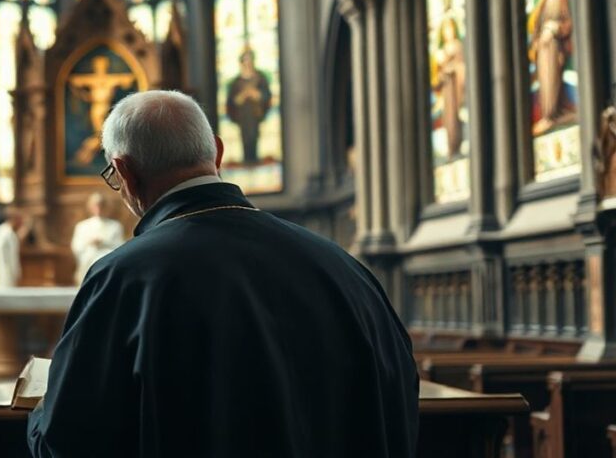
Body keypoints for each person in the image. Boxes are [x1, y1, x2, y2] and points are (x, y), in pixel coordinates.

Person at [28, 90, 418, 457]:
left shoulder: (122, 278)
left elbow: (65, 443)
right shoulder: (344, 267)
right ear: (216, 152)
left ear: (123, 172)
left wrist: (43, 406)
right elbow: (398, 404)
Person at [528, 0, 574, 135]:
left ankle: (555, 113)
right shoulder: (542, 4)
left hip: (555, 48)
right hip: (543, 51)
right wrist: (538, 41)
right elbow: (536, 29)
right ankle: (547, 115)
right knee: (545, 83)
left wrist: (555, 28)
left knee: (554, 80)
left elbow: (567, 23)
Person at [226, 48, 272, 164]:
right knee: (245, 139)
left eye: (249, 62)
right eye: (245, 62)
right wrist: (241, 97)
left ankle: (254, 160)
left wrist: (256, 94)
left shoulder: (260, 78)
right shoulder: (236, 82)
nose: (247, 65)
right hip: (242, 117)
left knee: (254, 138)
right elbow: (231, 102)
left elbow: (266, 95)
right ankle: (247, 161)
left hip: (256, 115)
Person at [69, 192, 125, 284]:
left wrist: (104, 243)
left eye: (102, 205)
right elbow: (76, 246)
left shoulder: (115, 226)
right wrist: (90, 243)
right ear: (91, 207)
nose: (99, 208)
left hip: (109, 258)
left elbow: (121, 247)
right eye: (96, 205)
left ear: (106, 207)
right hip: (89, 258)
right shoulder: (82, 226)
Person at [431, 18, 466, 158]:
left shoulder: (457, 46)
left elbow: (461, 67)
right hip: (447, 92)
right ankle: (451, 147)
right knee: (448, 119)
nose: (448, 32)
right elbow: (436, 80)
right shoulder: (441, 52)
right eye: (445, 30)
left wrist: (452, 68)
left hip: (456, 89)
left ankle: (457, 145)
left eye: (450, 28)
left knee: (456, 118)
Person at [0, 211, 25, 289]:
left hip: (7, 271)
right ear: (16, 219)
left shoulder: (7, 232)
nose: (21, 224)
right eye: (21, 221)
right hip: (5, 271)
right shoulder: (5, 232)